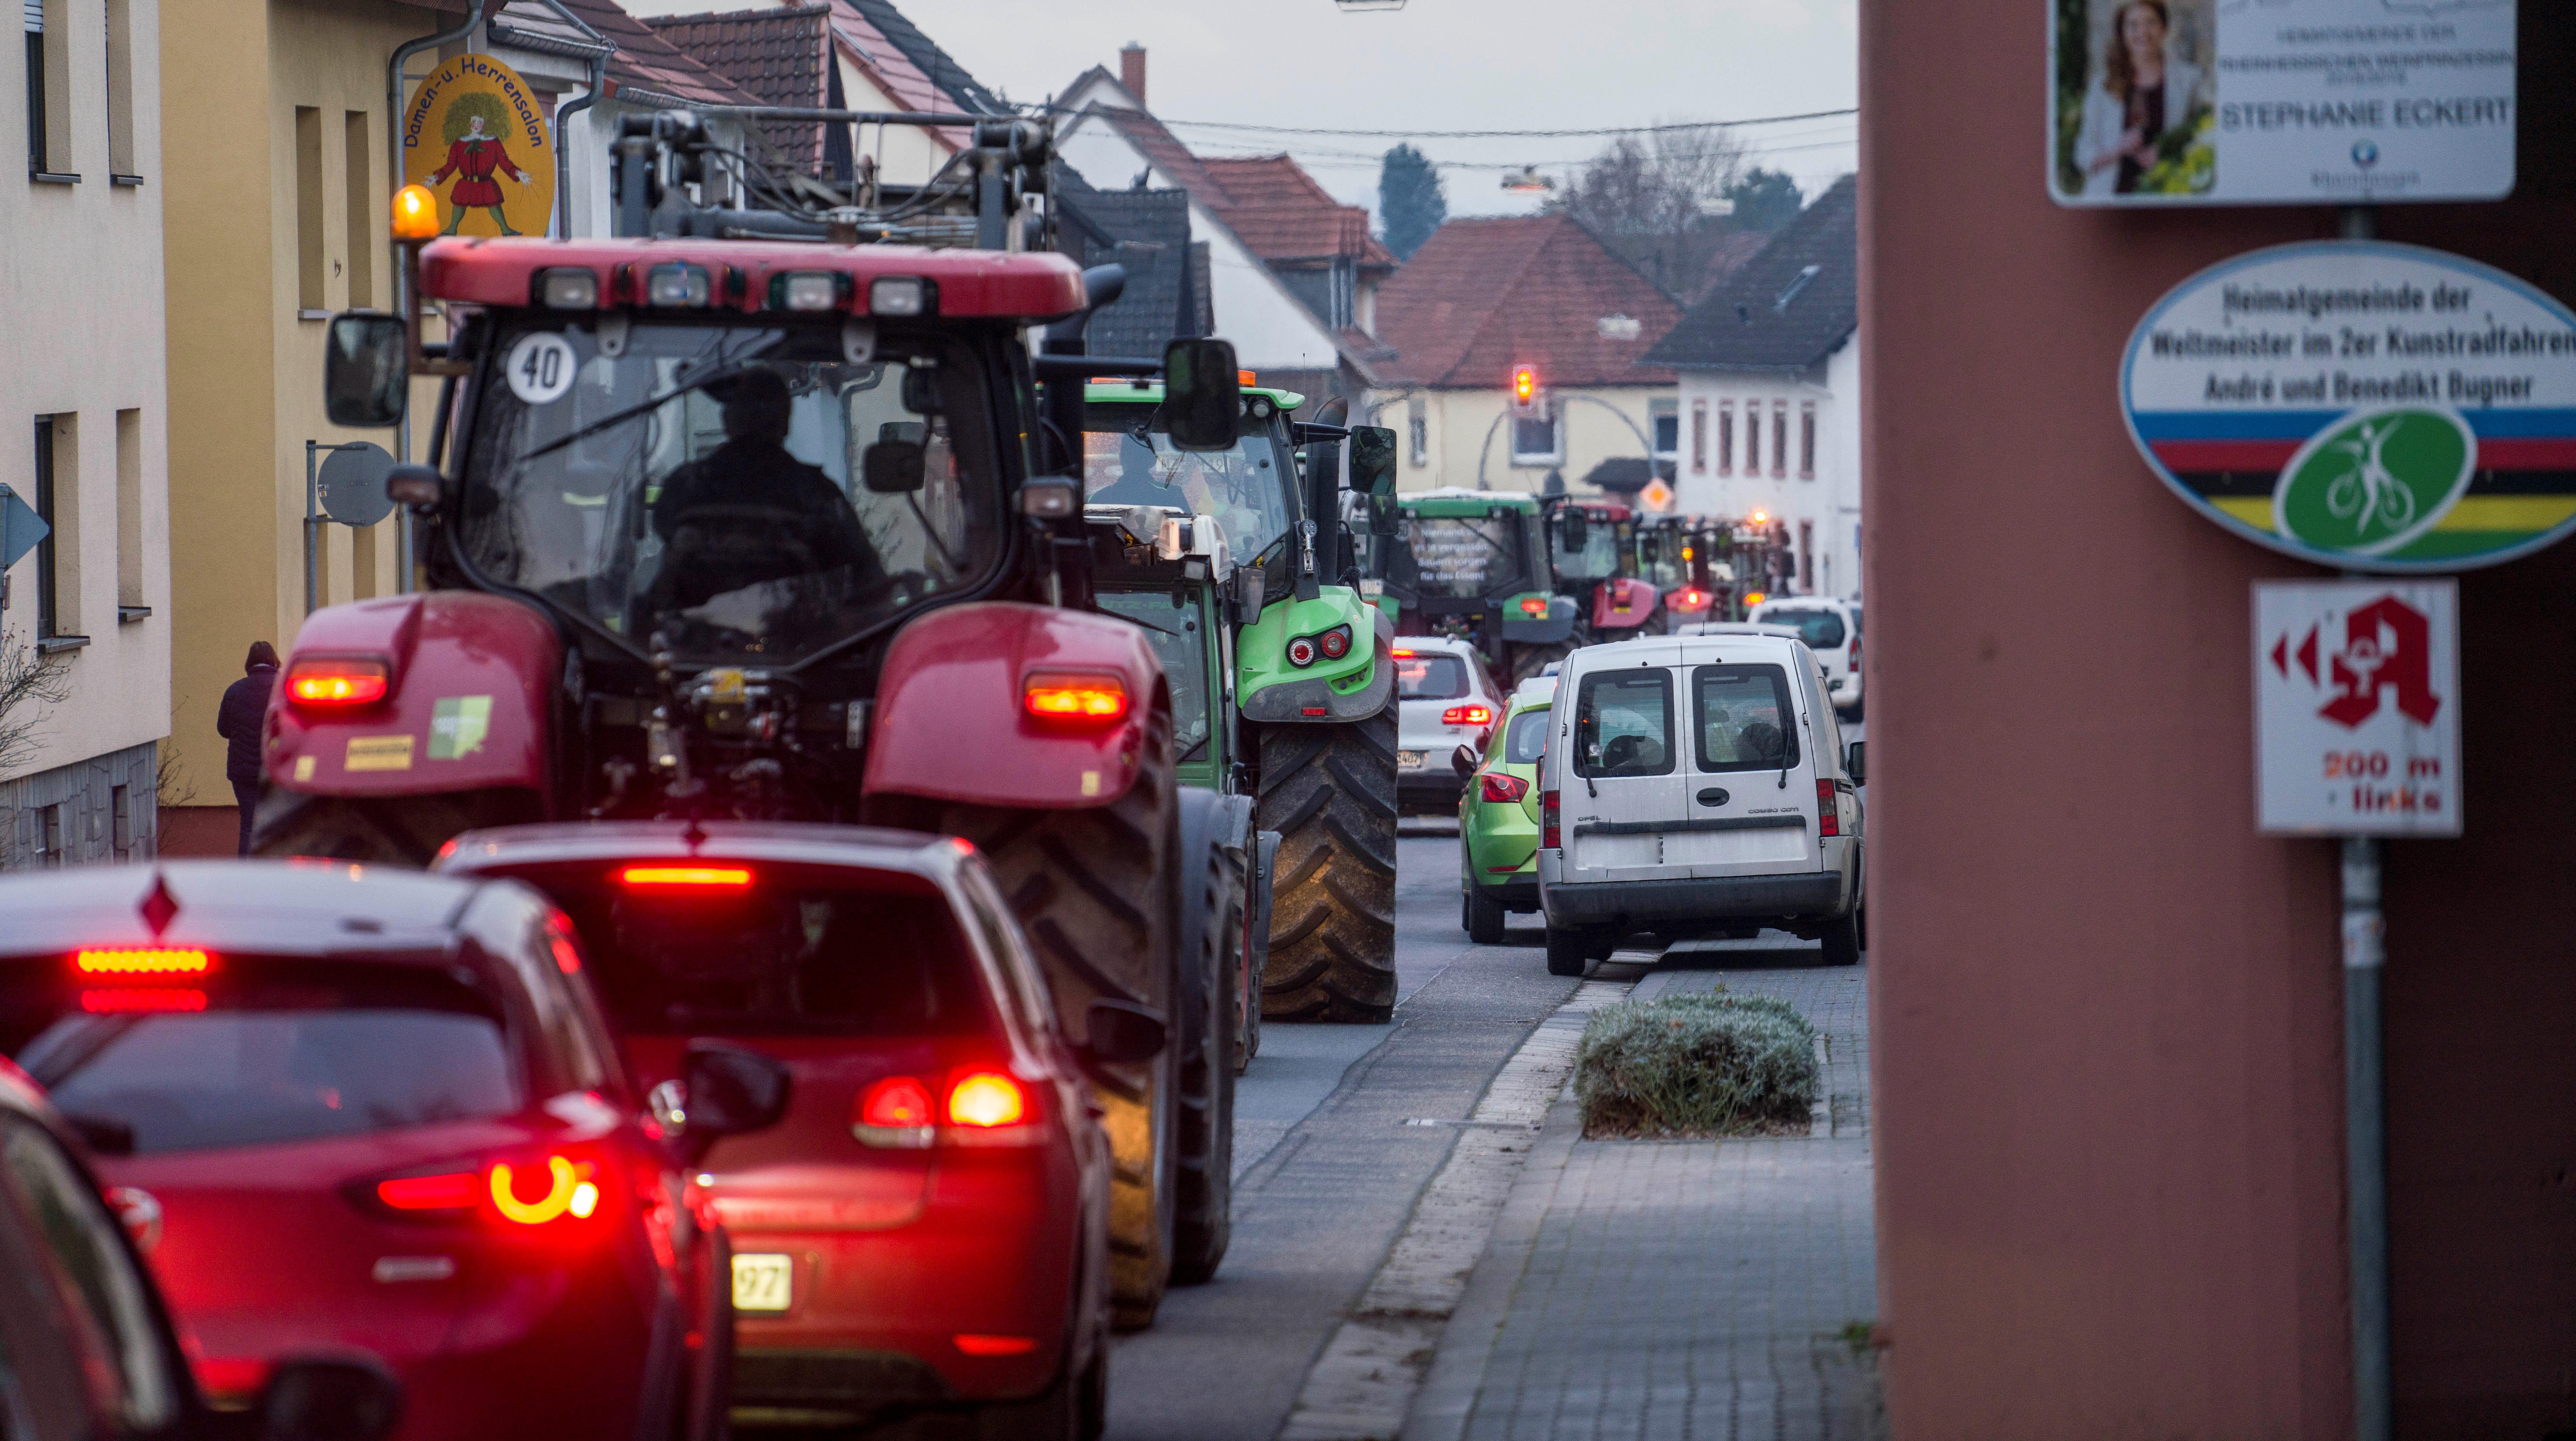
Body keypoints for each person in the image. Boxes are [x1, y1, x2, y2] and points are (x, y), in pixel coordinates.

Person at [650, 369, 875, 607]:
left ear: (727, 420)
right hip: (806, 640)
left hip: (688, 638)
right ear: (786, 423)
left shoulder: (685, 486)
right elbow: (867, 582)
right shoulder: (819, 494)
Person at [2073, 0, 2206, 197]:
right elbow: (2082, 154)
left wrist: (2168, 157)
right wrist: (2118, 150)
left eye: (2151, 23)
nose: (2143, 32)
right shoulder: (2102, 85)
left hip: (2170, 194)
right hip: (2112, 198)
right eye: (2133, 25)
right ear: (2122, 33)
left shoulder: (2190, 80)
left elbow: (2204, 135)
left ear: (2164, 28)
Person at [425, 111, 534, 236]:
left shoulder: (493, 142)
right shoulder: (459, 143)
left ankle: (505, 229)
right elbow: (451, 165)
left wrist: (519, 174)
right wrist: (436, 177)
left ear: (487, 124)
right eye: (474, 121)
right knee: (459, 204)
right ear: (468, 122)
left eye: (480, 122)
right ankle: (452, 229)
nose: (477, 125)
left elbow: (505, 163)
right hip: (466, 183)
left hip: (486, 183)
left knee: (494, 204)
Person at [216, 642, 279, 856]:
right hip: (275, 771)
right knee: (278, 823)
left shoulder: (234, 691)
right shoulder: (284, 689)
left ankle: (246, 876)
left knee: (248, 826)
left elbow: (223, 730)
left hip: (242, 772)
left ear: (250, 663)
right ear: (274, 661)